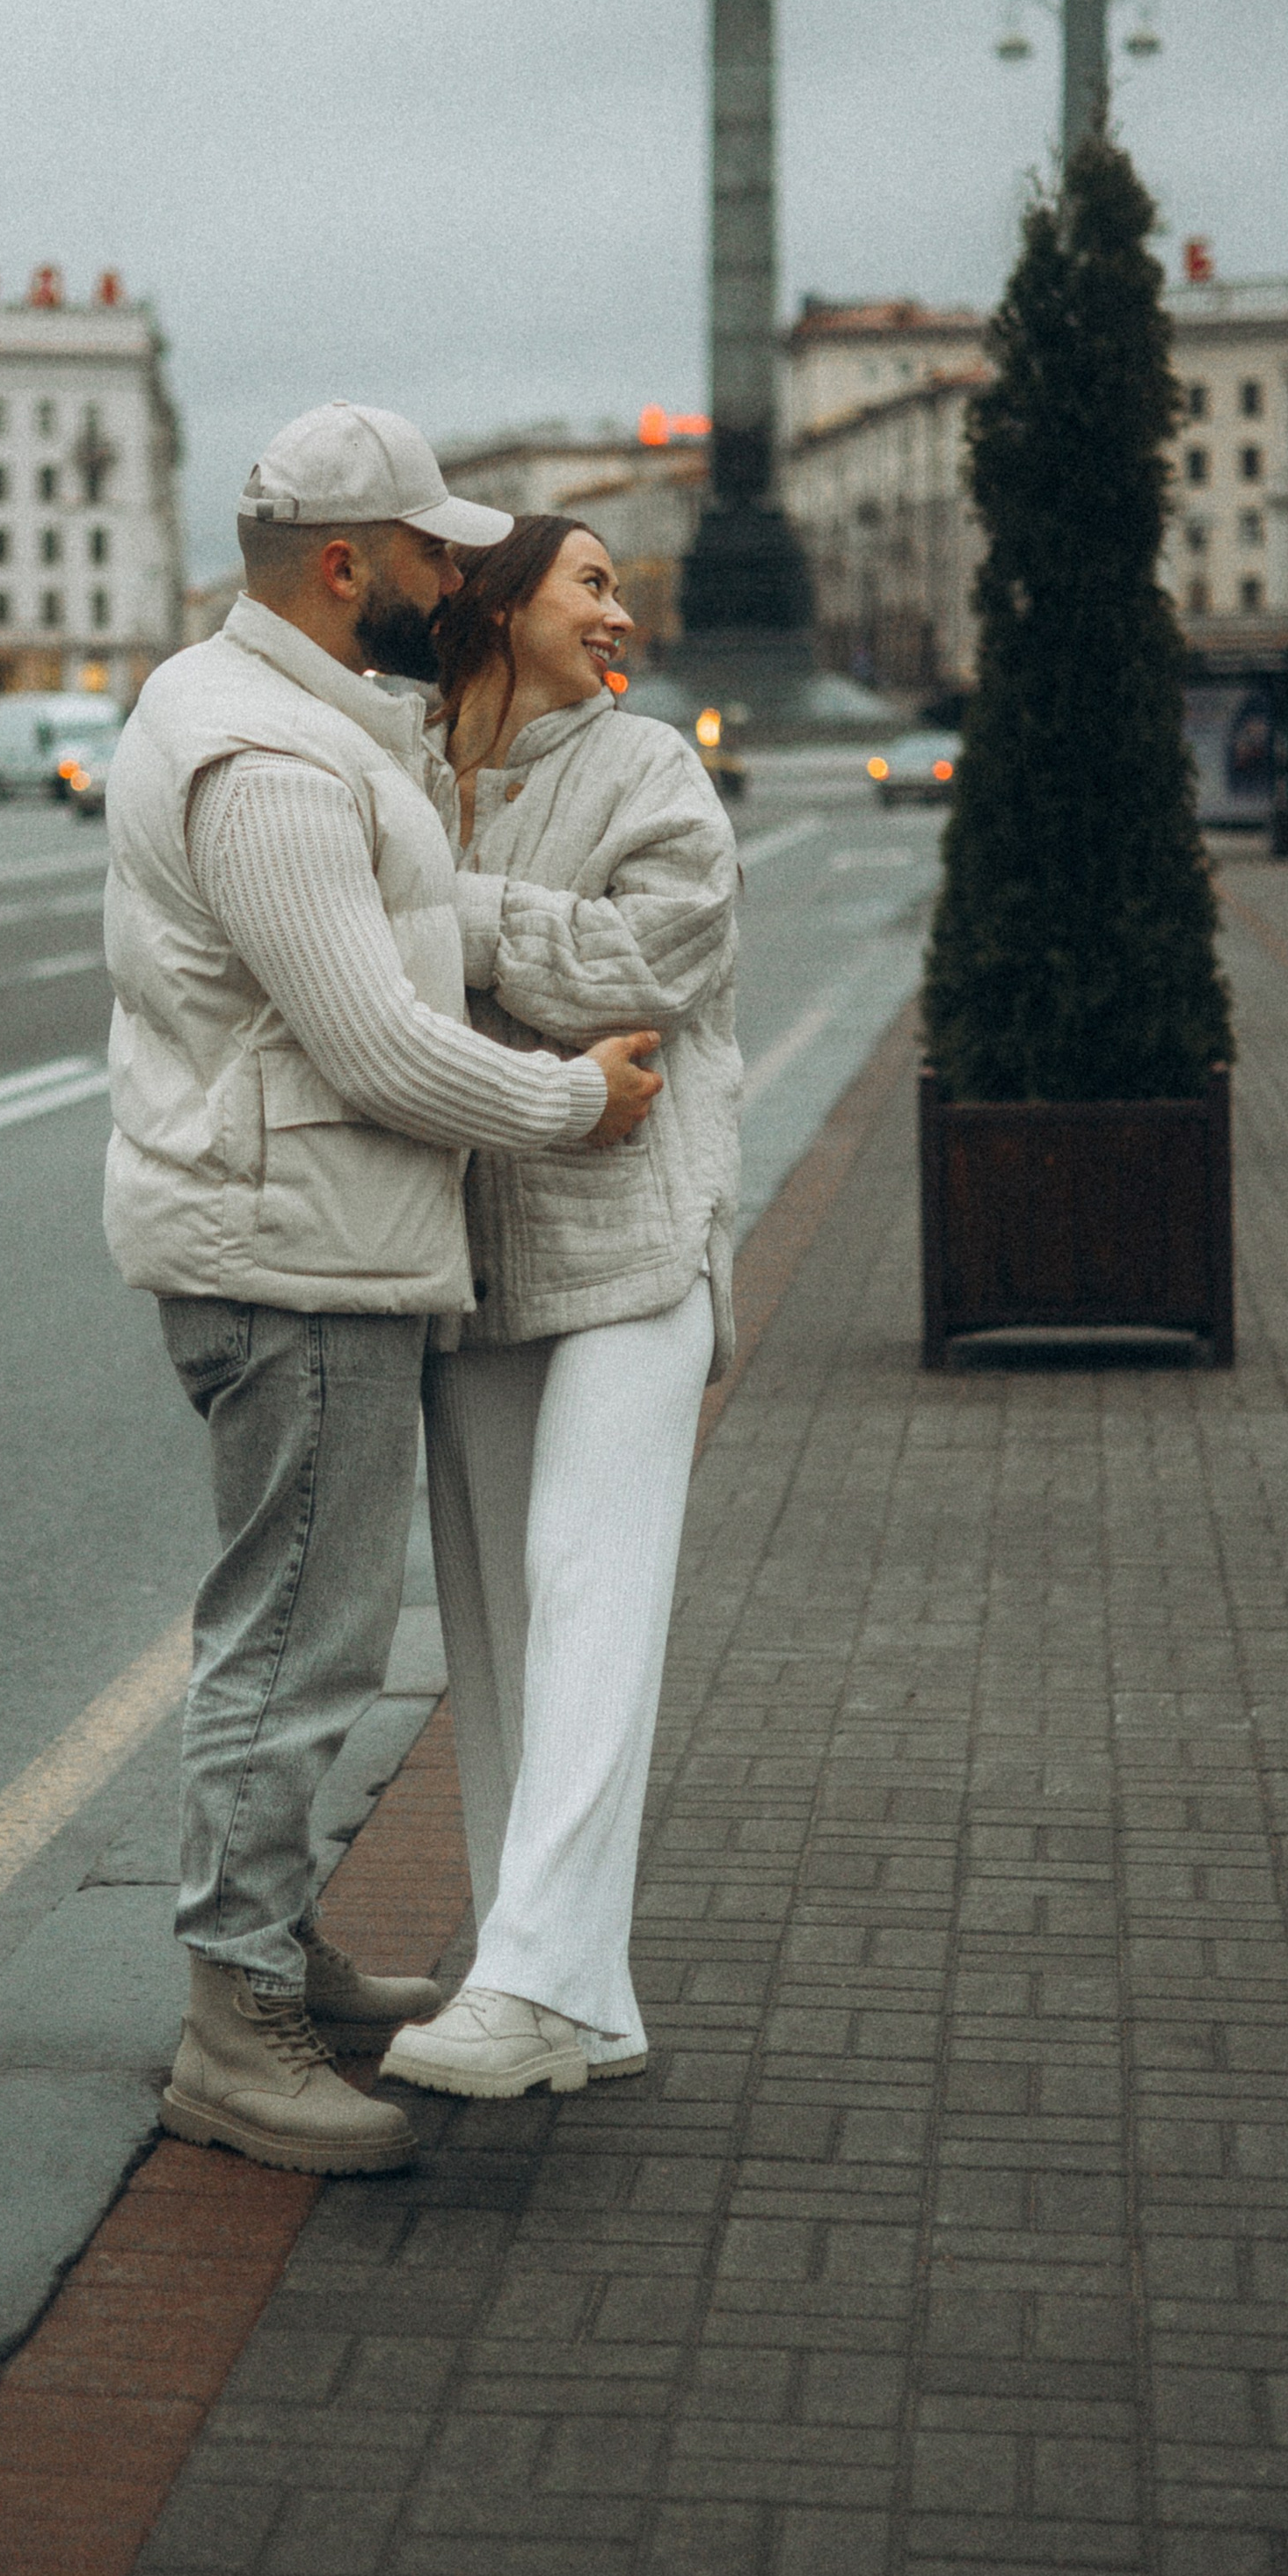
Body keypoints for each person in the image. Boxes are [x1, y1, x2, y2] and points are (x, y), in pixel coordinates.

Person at [103, 412, 664, 2178]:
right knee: (294, 1644)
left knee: (296, 1628)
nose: (455, 579)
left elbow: (397, 952)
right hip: (294, 1256)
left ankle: (275, 1957)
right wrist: (574, 1104)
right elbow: (367, 1045)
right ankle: (231, 2026)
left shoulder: (293, 718)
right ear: (344, 564)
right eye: (430, 552)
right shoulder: (260, 758)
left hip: (313, 1239)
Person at [379, 516, 741, 2101]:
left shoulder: (651, 767)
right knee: (508, 1633)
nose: (621, 610)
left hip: (635, 1247)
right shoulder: (388, 761)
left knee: (591, 1597)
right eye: (590, 581)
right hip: (465, 1248)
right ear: (498, 599)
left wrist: (456, 922)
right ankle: (572, 1997)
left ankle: (526, 1979)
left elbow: (647, 963)